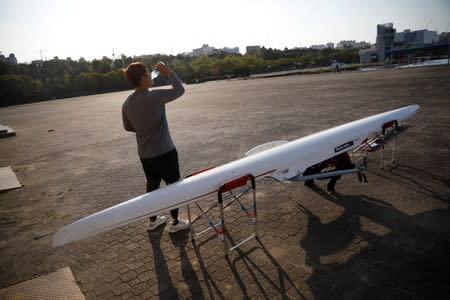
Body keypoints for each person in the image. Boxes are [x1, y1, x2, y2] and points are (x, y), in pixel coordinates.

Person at [122, 61, 189, 233]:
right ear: (143, 78)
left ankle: (153, 220)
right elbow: (180, 89)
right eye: (148, 74)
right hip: (164, 151)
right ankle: (175, 222)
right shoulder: (154, 96)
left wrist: (144, 127)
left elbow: (128, 127)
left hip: (145, 154)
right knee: (173, 186)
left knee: (152, 186)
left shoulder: (127, 103)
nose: (151, 77)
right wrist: (169, 72)